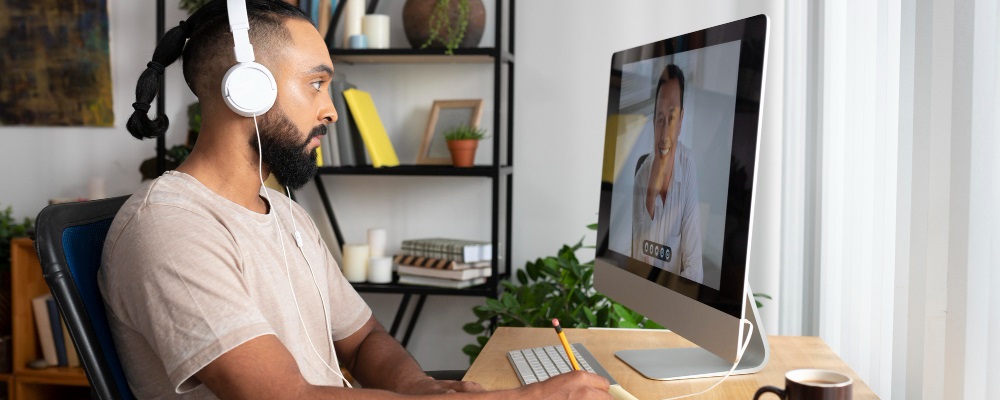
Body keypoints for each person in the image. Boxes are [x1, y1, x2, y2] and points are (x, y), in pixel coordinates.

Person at [99, 1, 611, 399]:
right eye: (316, 84)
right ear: (246, 90)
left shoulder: (286, 215)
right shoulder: (172, 228)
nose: (331, 111)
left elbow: (363, 340)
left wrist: (415, 385)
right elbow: (286, 397)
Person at [631, 64, 704, 283]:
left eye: (671, 119)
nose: (664, 136)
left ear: (681, 120)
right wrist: (650, 199)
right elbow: (635, 268)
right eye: (660, 119)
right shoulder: (640, 179)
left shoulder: (688, 164)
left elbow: (695, 269)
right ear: (653, 122)